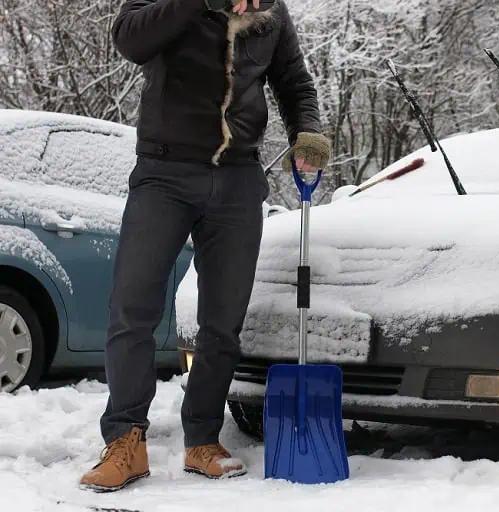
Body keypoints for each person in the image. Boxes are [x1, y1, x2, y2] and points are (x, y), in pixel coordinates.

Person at [79, 0, 330, 492]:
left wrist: (309, 133)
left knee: (223, 321)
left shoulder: (273, 13)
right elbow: (130, 38)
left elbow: (294, 81)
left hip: (237, 178)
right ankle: (125, 441)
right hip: (164, 171)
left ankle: (202, 439)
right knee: (133, 308)